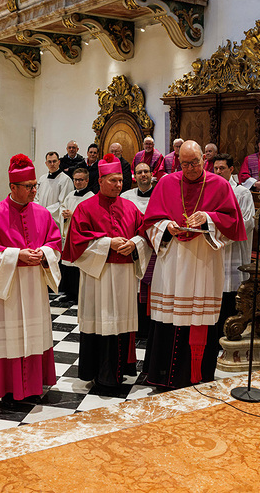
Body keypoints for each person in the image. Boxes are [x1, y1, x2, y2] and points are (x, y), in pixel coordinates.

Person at [141, 140, 246, 389]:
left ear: (204, 160)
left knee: (198, 317)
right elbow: (150, 221)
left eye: (195, 163)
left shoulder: (219, 185)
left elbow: (232, 221)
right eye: (185, 163)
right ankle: (161, 375)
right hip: (173, 264)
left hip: (203, 262)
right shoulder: (167, 183)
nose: (190, 168)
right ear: (178, 161)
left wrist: (208, 218)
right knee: (168, 318)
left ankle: (197, 376)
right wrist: (167, 226)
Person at [0, 154, 62, 401]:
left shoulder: (43, 214)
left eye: (36, 185)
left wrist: (44, 253)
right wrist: (16, 256)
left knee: (33, 336)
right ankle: (7, 387)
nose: (35, 190)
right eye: (29, 186)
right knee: (8, 338)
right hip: (7, 290)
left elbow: (55, 244)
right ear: (13, 187)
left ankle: (34, 386)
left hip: (33, 286)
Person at [62, 154, 151, 388]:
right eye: (113, 180)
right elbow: (76, 242)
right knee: (100, 322)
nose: (119, 185)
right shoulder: (85, 208)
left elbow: (145, 234)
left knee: (120, 323)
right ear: (100, 181)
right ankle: (98, 372)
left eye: (121, 180)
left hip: (124, 275)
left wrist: (134, 244)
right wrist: (107, 243)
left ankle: (121, 369)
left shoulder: (130, 208)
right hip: (97, 276)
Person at [212, 153, 255, 331]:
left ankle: (233, 331)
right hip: (215, 252)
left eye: (222, 168)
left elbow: (248, 222)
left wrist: (220, 234)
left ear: (231, 170)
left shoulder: (242, 193)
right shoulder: (211, 192)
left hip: (235, 251)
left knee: (233, 295)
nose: (218, 171)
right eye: (215, 169)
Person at [120, 162, 155, 338]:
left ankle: (150, 327)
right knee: (133, 288)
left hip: (154, 249)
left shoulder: (159, 195)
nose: (143, 175)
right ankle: (134, 325)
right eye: (140, 172)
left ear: (151, 174)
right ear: (135, 175)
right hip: (133, 247)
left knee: (151, 288)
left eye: (146, 172)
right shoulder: (126, 196)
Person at [59, 167, 94, 303]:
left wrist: (73, 215)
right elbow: (63, 206)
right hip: (69, 234)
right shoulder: (71, 194)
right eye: (75, 180)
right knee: (68, 264)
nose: (78, 182)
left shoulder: (91, 197)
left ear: (86, 180)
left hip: (82, 236)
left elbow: (90, 216)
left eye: (80, 180)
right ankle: (70, 293)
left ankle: (79, 293)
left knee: (79, 265)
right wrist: (65, 215)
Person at [36, 151, 74, 232]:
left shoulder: (65, 180)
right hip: (41, 218)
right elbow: (36, 198)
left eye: (54, 161)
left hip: (55, 220)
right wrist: (39, 210)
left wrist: (46, 211)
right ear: (46, 163)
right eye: (49, 162)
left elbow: (64, 202)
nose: (52, 164)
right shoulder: (42, 179)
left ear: (59, 162)